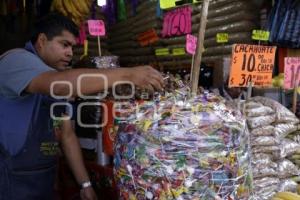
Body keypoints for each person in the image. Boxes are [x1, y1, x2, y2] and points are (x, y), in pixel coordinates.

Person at [0, 13, 164, 200]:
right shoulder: (17, 61)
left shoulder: (54, 75)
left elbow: (66, 134)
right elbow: (60, 85)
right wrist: (127, 75)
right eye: (64, 44)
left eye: (72, 46)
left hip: (41, 177)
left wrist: (85, 184)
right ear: (42, 40)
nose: (70, 53)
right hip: (10, 179)